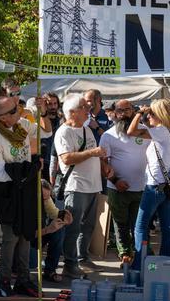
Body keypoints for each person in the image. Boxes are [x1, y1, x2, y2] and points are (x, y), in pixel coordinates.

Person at [0, 95, 41, 298]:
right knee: (10, 238)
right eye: (13, 110)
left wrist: (39, 111)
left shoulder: (22, 126)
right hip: (7, 193)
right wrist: (29, 168)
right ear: (2, 118)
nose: (19, 111)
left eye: (17, 107)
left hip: (25, 189)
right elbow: (0, 173)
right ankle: (4, 280)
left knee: (26, 234)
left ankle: (24, 279)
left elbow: (46, 131)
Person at [54, 95, 106, 278]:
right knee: (73, 227)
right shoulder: (63, 132)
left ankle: (82, 258)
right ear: (72, 112)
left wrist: (105, 167)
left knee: (88, 226)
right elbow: (66, 158)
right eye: (84, 107)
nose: (88, 109)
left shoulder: (87, 130)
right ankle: (70, 264)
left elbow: (93, 155)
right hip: (76, 186)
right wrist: (93, 152)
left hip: (92, 186)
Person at [128, 99, 170, 261]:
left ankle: (139, 264)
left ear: (160, 115)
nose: (148, 116)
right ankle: (165, 265)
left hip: (154, 185)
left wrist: (139, 112)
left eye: (151, 113)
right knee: (166, 227)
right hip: (165, 186)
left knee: (140, 227)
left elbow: (131, 132)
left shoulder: (161, 131)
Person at [99, 99, 147, 265]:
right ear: (114, 113)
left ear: (133, 111)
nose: (124, 114)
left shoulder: (144, 131)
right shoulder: (108, 135)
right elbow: (102, 162)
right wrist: (115, 180)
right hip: (117, 188)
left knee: (139, 224)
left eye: (127, 110)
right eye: (120, 111)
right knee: (121, 224)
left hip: (142, 187)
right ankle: (125, 253)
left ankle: (140, 253)